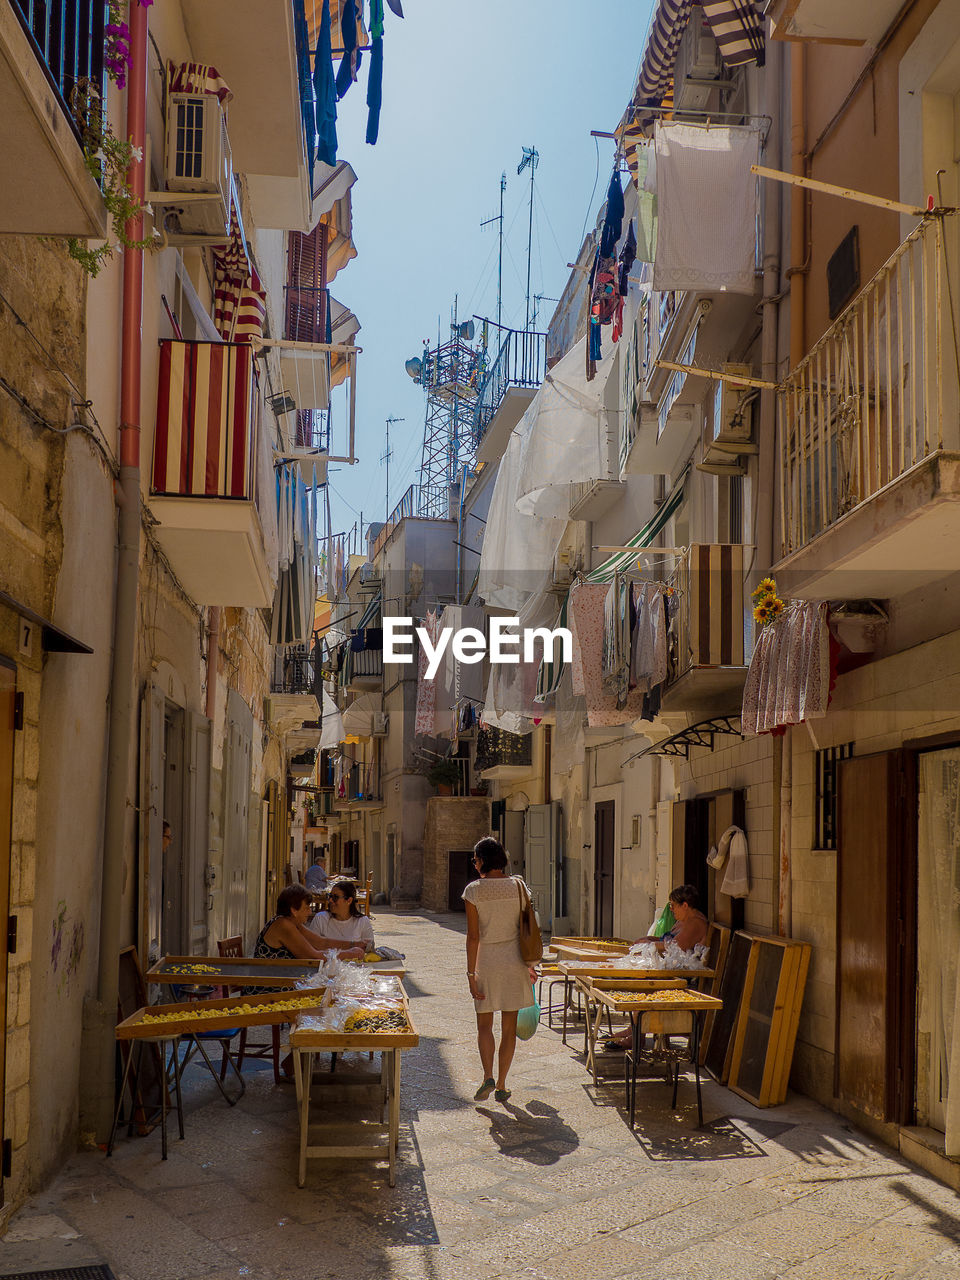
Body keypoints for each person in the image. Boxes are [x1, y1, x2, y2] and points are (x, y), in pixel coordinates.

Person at [462, 836, 537, 1104]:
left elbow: (473, 937)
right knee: (509, 1027)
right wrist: (530, 965)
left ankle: (487, 1077)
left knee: (484, 1025)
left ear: (482, 861)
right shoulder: (519, 887)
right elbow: (527, 929)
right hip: (515, 960)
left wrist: (471, 974)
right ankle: (503, 1083)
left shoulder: (474, 891)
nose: (474, 864)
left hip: (487, 962)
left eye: (475, 859)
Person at [603, 884, 709, 1052]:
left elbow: (677, 946)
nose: (671, 909)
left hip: (684, 978)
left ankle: (636, 1035)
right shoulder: (682, 922)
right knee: (639, 980)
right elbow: (665, 940)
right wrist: (648, 938)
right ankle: (634, 1030)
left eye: (673, 905)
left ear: (685, 905)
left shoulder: (696, 923)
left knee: (645, 986)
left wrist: (650, 943)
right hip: (672, 971)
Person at [253, 884, 365, 963]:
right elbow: (313, 956)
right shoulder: (283, 925)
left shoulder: (293, 922)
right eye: (306, 908)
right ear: (294, 910)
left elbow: (321, 943)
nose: (310, 912)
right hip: (273, 987)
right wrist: (350, 954)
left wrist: (354, 945)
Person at [307, 879, 375, 952]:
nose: (330, 900)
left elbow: (369, 950)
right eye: (329, 896)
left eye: (335, 897)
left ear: (349, 900)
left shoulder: (362, 922)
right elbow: (311, 948)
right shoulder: (320, 919)